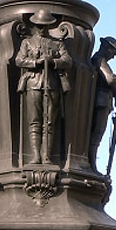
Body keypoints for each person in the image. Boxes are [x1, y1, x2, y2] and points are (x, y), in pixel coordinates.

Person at [15, 9, 72, 165]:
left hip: (51, 84)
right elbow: (19, 60)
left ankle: (46, 155)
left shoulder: (57, 43)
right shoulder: (27, 43)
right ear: (34, 25)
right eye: (39, 25)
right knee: (34, 121)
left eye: (45, 25)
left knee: (49, 122)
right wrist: (35, 63)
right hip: (33, 84)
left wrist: (53, 62)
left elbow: (68, 61)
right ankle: (36, 156)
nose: (42, 28)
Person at [89, 36, 116, 171]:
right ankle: (91, 164)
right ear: (107, 48)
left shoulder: (98, 60)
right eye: (113, 53)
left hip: (103, 101)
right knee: (97, 134)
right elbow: (110, 80)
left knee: (97, 134)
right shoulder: (99, 60)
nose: (113, 57)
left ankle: (91, 163)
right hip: (101, 102)